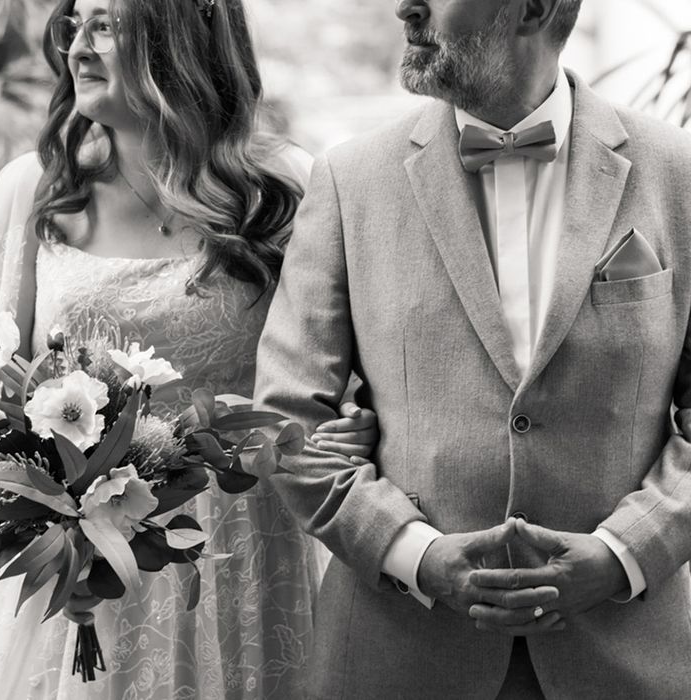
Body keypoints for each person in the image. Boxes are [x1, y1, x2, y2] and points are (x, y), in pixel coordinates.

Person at [0, 1, 378, 698]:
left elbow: (347, 388)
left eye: (104, 24)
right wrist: (48, 541)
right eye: (74, 25)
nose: (78, 46)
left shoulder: (285, 191)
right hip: (79, 570)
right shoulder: (37, 190)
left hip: (240, 552)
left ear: (178, 33)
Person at [255, 0, 691, 697]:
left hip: (626, 661)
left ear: (534, 8)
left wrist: (622, 555)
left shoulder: (680, 173)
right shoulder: (348, 180)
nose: (405, 7)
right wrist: (420, 557)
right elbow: (281, 423)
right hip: (396, 657)